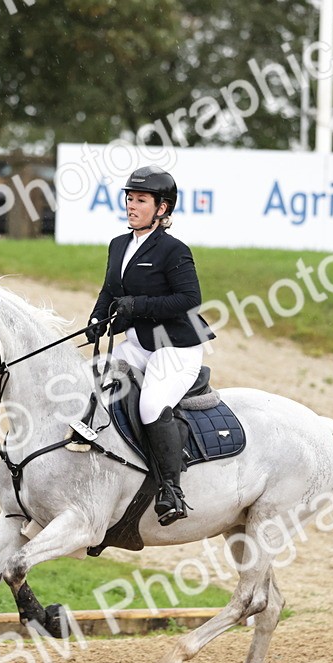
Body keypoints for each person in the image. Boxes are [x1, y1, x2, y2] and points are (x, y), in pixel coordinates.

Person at [86, 166, 216, 525]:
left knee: (151, 405)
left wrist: (139, 306)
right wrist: (98, 318)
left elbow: (190, 299)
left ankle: (170, 490)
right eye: (129, 198)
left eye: (140, 200)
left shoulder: (174, 250)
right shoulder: (119, 245)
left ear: (162, 209)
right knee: (89, 381)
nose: (132, 205)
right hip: (138, 344)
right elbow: (111, 289)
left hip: (175, 348)